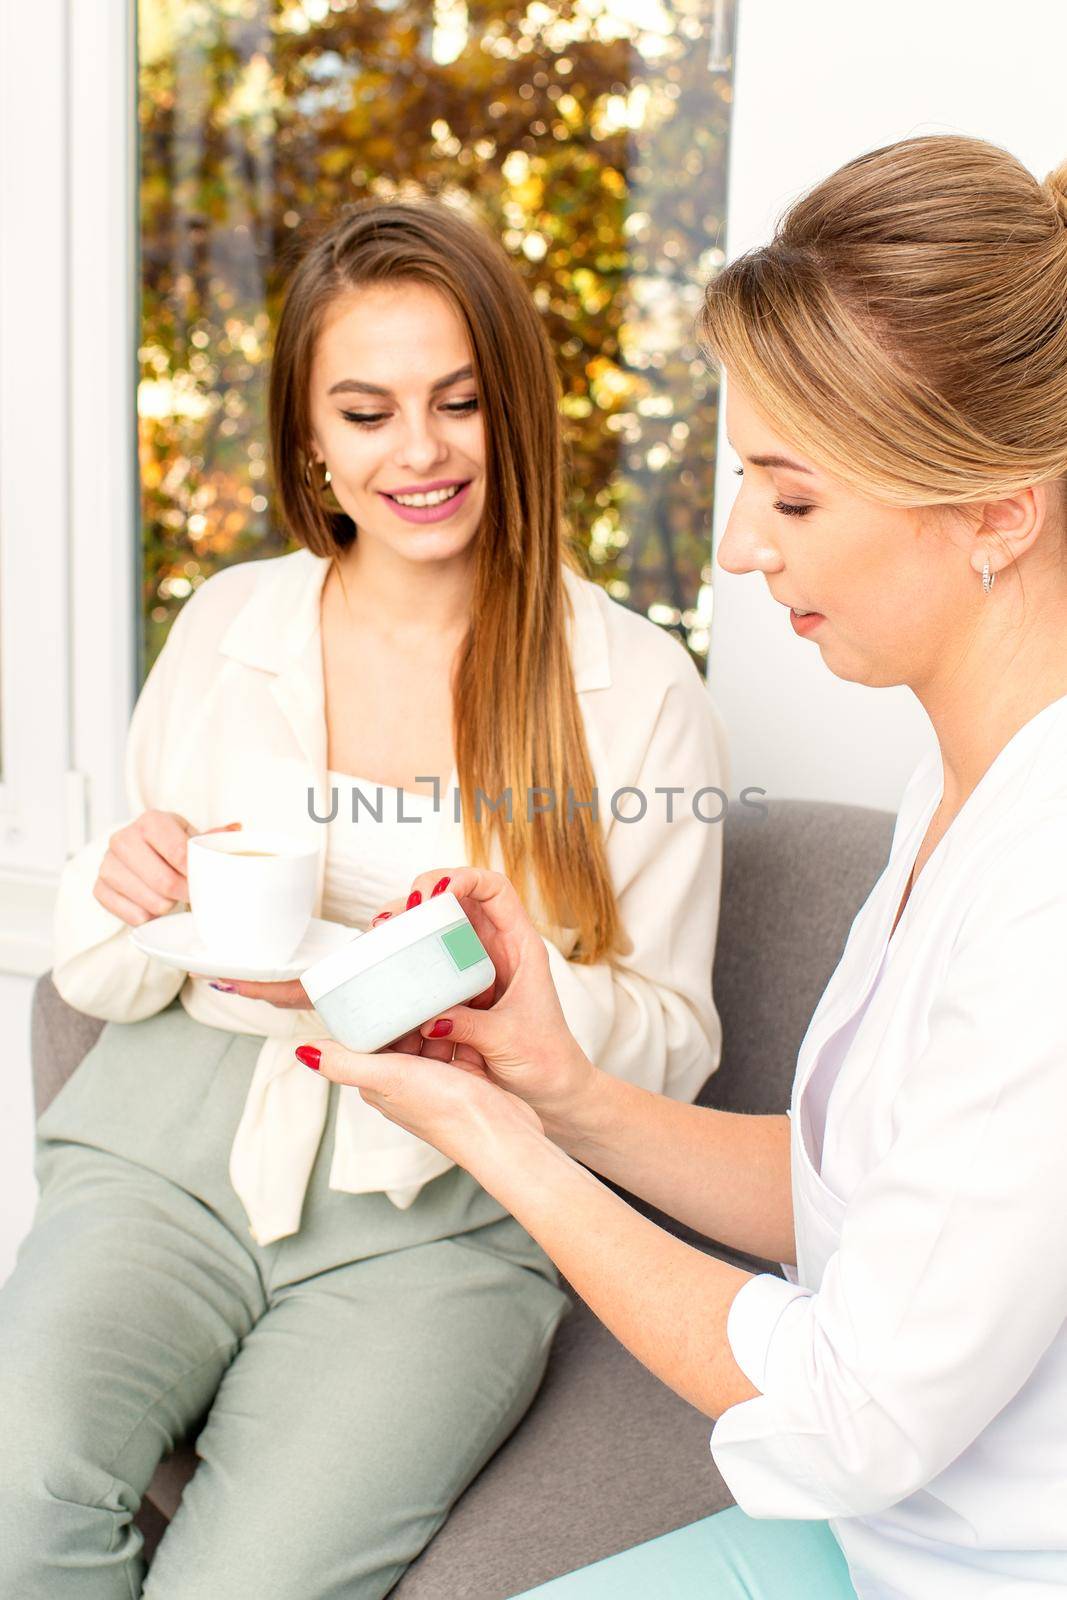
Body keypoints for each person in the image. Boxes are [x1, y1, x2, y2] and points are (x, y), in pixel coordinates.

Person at [301, 137, 1067, 1599]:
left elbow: (853, 1415)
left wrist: (503, 1154)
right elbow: (851, 1196)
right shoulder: (962, 785)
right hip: (868, 1546)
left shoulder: (1054, 887)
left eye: (791, 500)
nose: (736, 549)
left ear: (996, 508)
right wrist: (561, 1091)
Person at [0, 200, 728, 1598]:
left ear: (513, 414)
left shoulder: (635, 691)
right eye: (369, 409)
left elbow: (674, 1047)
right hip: (166, 1149)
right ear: (313, 441)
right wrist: (121, 879)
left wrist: (467, 987)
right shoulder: (228, 625)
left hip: (444, 1222)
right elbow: (103, 971)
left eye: (460, 401)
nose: (422, 451)